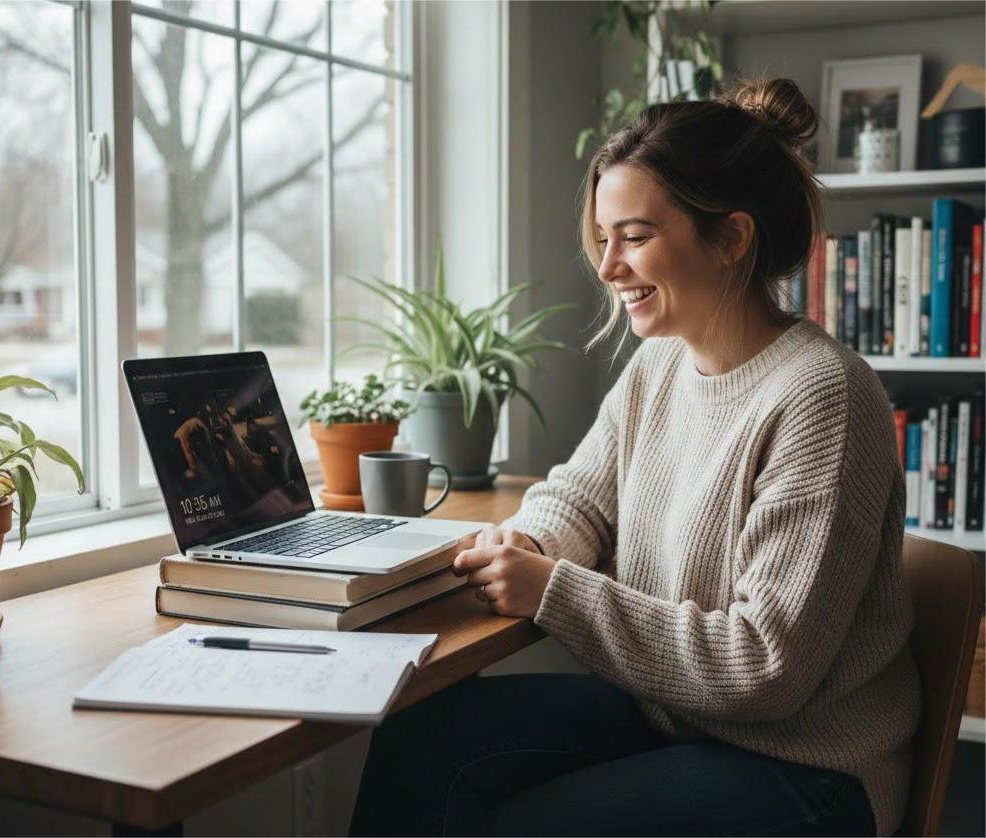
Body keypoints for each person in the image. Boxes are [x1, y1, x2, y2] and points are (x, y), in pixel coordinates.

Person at [349, 78, 920, 837]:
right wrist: (532, 541)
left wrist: (554, 592)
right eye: (604, 237)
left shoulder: (823, 395)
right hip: (678, 718)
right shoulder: (662, 364)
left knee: (523, 828)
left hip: (806, 768)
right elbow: (583, 496)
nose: (608, 266)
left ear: (732, 238)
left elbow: (764, 667)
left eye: (636, 236)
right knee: (418, 740)